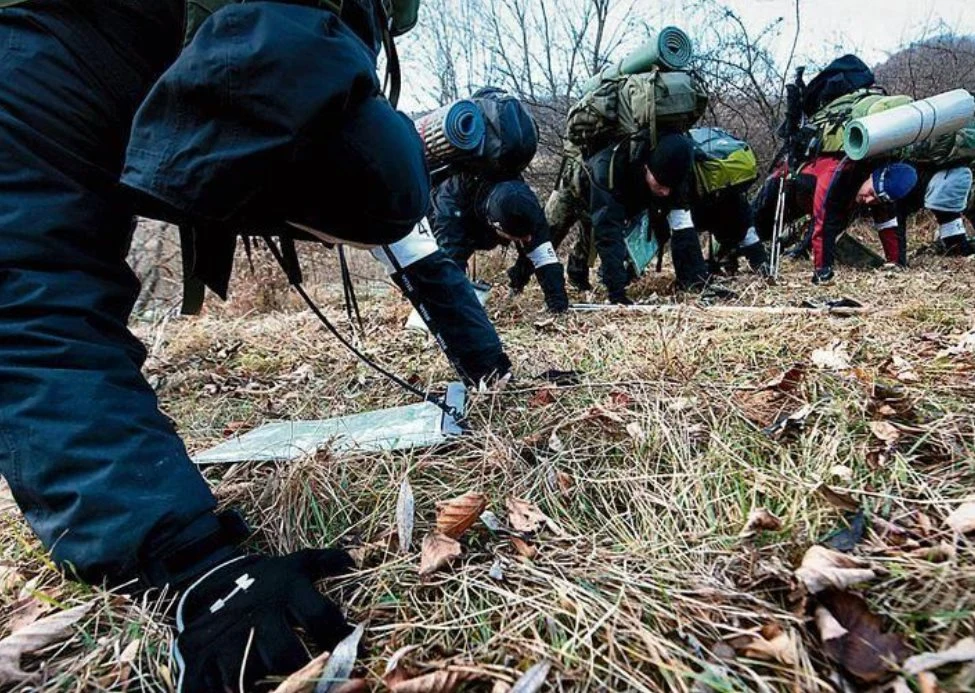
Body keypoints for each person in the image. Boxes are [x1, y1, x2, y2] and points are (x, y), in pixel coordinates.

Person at [0, 1, 507, 690]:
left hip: (222, 58)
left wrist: (490, 369)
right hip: (50, 50)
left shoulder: (303, 62)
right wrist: (191, 566)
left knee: (386, 172)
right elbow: (31, 310)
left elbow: (408, 238)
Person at [525, 133, 712, 303]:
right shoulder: (609, 169)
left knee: (606, 238)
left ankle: (588, 278)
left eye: (671, 187)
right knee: (542, 235)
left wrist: (696, 280)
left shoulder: (675, 170)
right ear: (646, 167)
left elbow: (681, 226)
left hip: (620, 198)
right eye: (661, 184)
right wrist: (617, 294)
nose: (665, 192)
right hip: (577, 190)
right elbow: (608, 233)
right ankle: (517, 283)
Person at [753, 157, 918, 283]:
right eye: (870, 194)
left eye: (875, 200)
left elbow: (887, 225)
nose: (868, 201)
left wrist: (896, 263)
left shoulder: (879, 190)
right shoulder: (836, 176)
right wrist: (823, 270)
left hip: (816, 202)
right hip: (786, 186)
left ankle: (795, 249)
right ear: (870, 177)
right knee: (757, 229)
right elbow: (823, 225)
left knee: (833, 222)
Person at [429, 175, 569, 313]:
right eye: (520, 237)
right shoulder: (450, 208)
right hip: (453, 212)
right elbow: (450, 261)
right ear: (496, 227)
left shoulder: (528, 207)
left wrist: (558, 305)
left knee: (534, 243)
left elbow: (544, 258)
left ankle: (517, 283)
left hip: (493, 206)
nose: (528, 239)